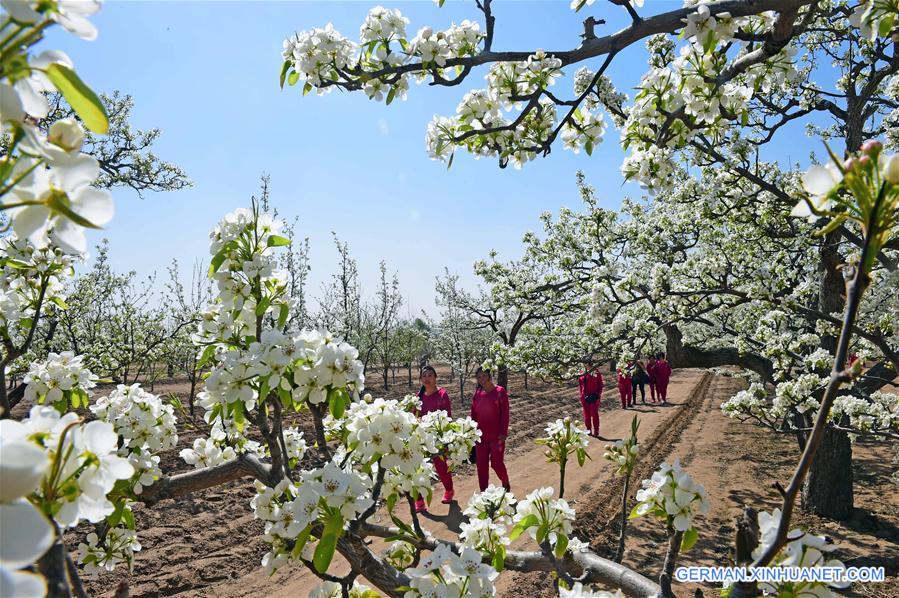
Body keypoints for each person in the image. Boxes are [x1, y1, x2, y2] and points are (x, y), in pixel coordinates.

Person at [414, 365, 455, 512]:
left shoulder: (442, 395)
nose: (427, 378)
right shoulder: (417, 398)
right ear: (420, 379)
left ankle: (449, 490)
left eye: (430, 375)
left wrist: (446, 437)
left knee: (441, 466)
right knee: (417, 468)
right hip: (421, 437)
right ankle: (419, 500)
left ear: (435, 377)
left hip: (438, 436)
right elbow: (413, 416)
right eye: (424, 376)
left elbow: (448, 416)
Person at [470, 367, 511, 492]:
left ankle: (505, 481)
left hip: (496, 436)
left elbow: (505, 413)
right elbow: (473, 414)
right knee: (481, 465)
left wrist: (503, 432)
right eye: (479, 377)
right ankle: (484, 492)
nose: (482, 379)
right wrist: (471, 431)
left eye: (484, 376)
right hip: (480, 436)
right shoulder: (477, 394)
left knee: (496, 463)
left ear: (489, 375)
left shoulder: (499, 392)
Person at [578, 366, 603, 437]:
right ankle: (588, 429)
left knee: (594, 413)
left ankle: (596, 430)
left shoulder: (596, 372)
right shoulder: (581, 371)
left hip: (594, 396)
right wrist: (581, 395)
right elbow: (581, 384)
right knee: (586, 414)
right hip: (584, 397)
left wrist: (598, 394)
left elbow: (600, 384)